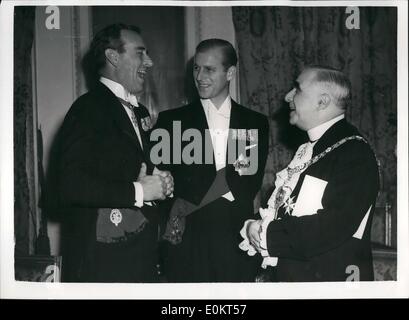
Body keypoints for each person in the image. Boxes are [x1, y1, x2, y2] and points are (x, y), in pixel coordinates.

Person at [57, 23, 173, 282]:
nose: (150, 61)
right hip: (102, 264)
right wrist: (141, 191)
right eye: (140, 53)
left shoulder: (139, 111)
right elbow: (69, 185)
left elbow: (131, 171)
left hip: (139, 257)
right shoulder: (88, 109)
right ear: (113, 57)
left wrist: (162, 182)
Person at [243, 66, 379, 281]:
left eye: (297, 89)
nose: (288, 96)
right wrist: (254, 226)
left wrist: (266, 234)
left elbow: (333, 226)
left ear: (322, 102)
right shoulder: (309, 148)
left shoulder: (354, 152)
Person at [154, 39, 269, 282]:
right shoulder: (172, 121)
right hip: (186, 241)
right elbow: (164, 187)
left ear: (230, 73)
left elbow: (243, 182)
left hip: (235, 239)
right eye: (196, 68)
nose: (200, 76)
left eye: (209, 69)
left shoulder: (252, 122)